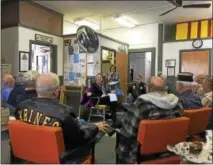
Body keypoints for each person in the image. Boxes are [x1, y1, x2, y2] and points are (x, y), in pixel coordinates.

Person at [14, 72, 108, 151]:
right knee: (91, 129)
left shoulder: (22, 106)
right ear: (56, 91)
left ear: (37, 89)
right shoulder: (65, 112)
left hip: (32, 151)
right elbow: (81, 138)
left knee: (81, 122)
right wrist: (95, 128)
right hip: (61, 155)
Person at [116, 76, 184, 163]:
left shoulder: (141, 104)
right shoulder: (177, 103)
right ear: (165, 88)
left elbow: (129, 132)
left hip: (143, 155)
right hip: (171, 151)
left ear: (148, 88)